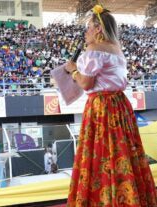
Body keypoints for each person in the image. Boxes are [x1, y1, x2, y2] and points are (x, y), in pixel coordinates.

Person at [64, 5, 157, 206]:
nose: (86, 32)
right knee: (122, 151)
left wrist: (73, 70)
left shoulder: (94, 50)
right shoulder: (117, 50)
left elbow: (87, 83)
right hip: (120, 105)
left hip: (102, 107)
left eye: (89, 27)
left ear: (98, 29)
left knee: (101, 153)